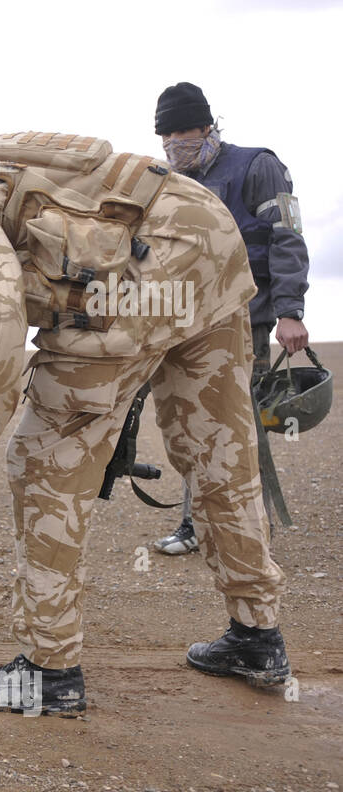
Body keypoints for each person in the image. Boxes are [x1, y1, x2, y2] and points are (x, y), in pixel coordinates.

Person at [0, 133, 290, 715]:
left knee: (44, 466)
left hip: (139, 275)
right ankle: (257, 637)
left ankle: (48, 670)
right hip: (206, 239)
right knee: (220, 454)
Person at [151, 82, 310, 555]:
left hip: (249, 319)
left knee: (239, 425)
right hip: (185, 322)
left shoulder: (259, 166)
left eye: (181, 132)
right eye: (164, 137)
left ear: (206, 125)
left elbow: (288, 237)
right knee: (190, 422)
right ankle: (194, 524)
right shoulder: (169, 180)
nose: (172, 144)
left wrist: (290, 312)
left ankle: (249, 530)